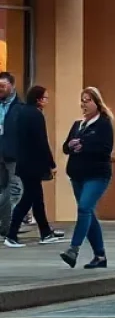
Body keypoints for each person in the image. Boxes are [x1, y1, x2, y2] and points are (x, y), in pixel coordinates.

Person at [60, 87, 114, 269]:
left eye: (87, 100)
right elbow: (65, 148)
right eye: (82, 100)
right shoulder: (78, 125)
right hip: (77, 175)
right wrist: (70, 145)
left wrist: (84, 146)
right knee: (88, 212)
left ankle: (73, 249)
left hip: (97, 175)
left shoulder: (104, 124)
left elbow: (105, 149)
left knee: (84, 208)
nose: (84, 104)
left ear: (96, 103)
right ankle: (100, 256)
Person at [4, 86, 63, 248]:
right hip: (33, 164)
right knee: (28, 199)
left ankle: (45, 233)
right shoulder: (36, 115)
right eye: (45, 98)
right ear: (38, 99)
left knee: (37, 199)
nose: (46, 102)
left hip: (23, 163)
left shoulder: (22, 113)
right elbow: (41, 142)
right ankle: (11, 234)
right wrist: (51, 163)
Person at [0, 72, 23, 241]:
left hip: (12, 153)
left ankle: (7, 226)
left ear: (12, 86)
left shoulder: (19, 107)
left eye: (3, 86)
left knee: (13, 190)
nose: (0, 89)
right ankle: (6, 226)